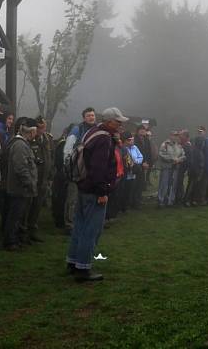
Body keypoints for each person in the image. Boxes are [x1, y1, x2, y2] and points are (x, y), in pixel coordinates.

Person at [66, 107, 127, 283]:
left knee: (79, 226)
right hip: (94, 190)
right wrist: (102, 192)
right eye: (118, 121)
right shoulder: (104, 139)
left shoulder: (92, 131)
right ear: (109, 122)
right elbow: (99, 168)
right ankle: (83, 268)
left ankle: (72, 261)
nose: (121, 124)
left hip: (84, 186)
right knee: (91, 230)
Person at [3, 118, 38, 250]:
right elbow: (20, 167)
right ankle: (10, 242)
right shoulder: (20, 145)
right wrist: (29, 183)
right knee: (14, 216)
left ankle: (15, 239)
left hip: (21, 187)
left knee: (17, 216)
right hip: (19, 188)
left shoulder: (22, 144)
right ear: (31, 132)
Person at [63, 108, 96, 233]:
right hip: (76, 170)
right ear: (84, 118)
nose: (91, 117)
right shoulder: (77, 130)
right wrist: (69, 168)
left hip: (90, 171)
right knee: (72, 198)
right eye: (88, 115)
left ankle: (83, 222)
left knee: (87, 198)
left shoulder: (96, 130)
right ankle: (69, 224)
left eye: (93, 115)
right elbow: (67, 149)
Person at [27, 116, 53, 242]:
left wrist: (50, 176)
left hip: (44, 178)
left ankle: (32, 229)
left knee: (37, 206)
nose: (42, 129)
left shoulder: (47, 139)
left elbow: (49, 157)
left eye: (44, 127)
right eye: (40, 127)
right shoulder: (30, 140)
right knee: (28, 206)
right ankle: (24, 231)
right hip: (33, 178)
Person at [157, 131, 185, 207]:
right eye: (173, 135)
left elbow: (183, 155)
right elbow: (161, 154)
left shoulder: (179, 145)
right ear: (170, 135)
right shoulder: (165, 144)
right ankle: (161, 200)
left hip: (175, 168)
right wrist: (172, 159)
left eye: (176, 135)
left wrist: (179, 159)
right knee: (164, 184)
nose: (175, 137)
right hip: (166, 168)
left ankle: (170, 201)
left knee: (173, 185)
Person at [183, 127, 205, 207]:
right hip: (195, 171)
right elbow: (194, 162)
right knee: (191, 186)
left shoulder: (197, 150)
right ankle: (187, 200)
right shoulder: (196, 151)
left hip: (196, 171)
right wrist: (197, 171)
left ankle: (192, 200)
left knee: (194, 186)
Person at [122, 131, 143, 209]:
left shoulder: (135, 147)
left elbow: (141, 157)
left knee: (132, 189)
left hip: (133, 173)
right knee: (124, 189)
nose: (132, 141)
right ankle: (123, 205)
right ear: (126, 140)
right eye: (130, 140)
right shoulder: (124, 149)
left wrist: (136, 162)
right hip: (126, 173)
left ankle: (130, 203)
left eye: (133, 140)